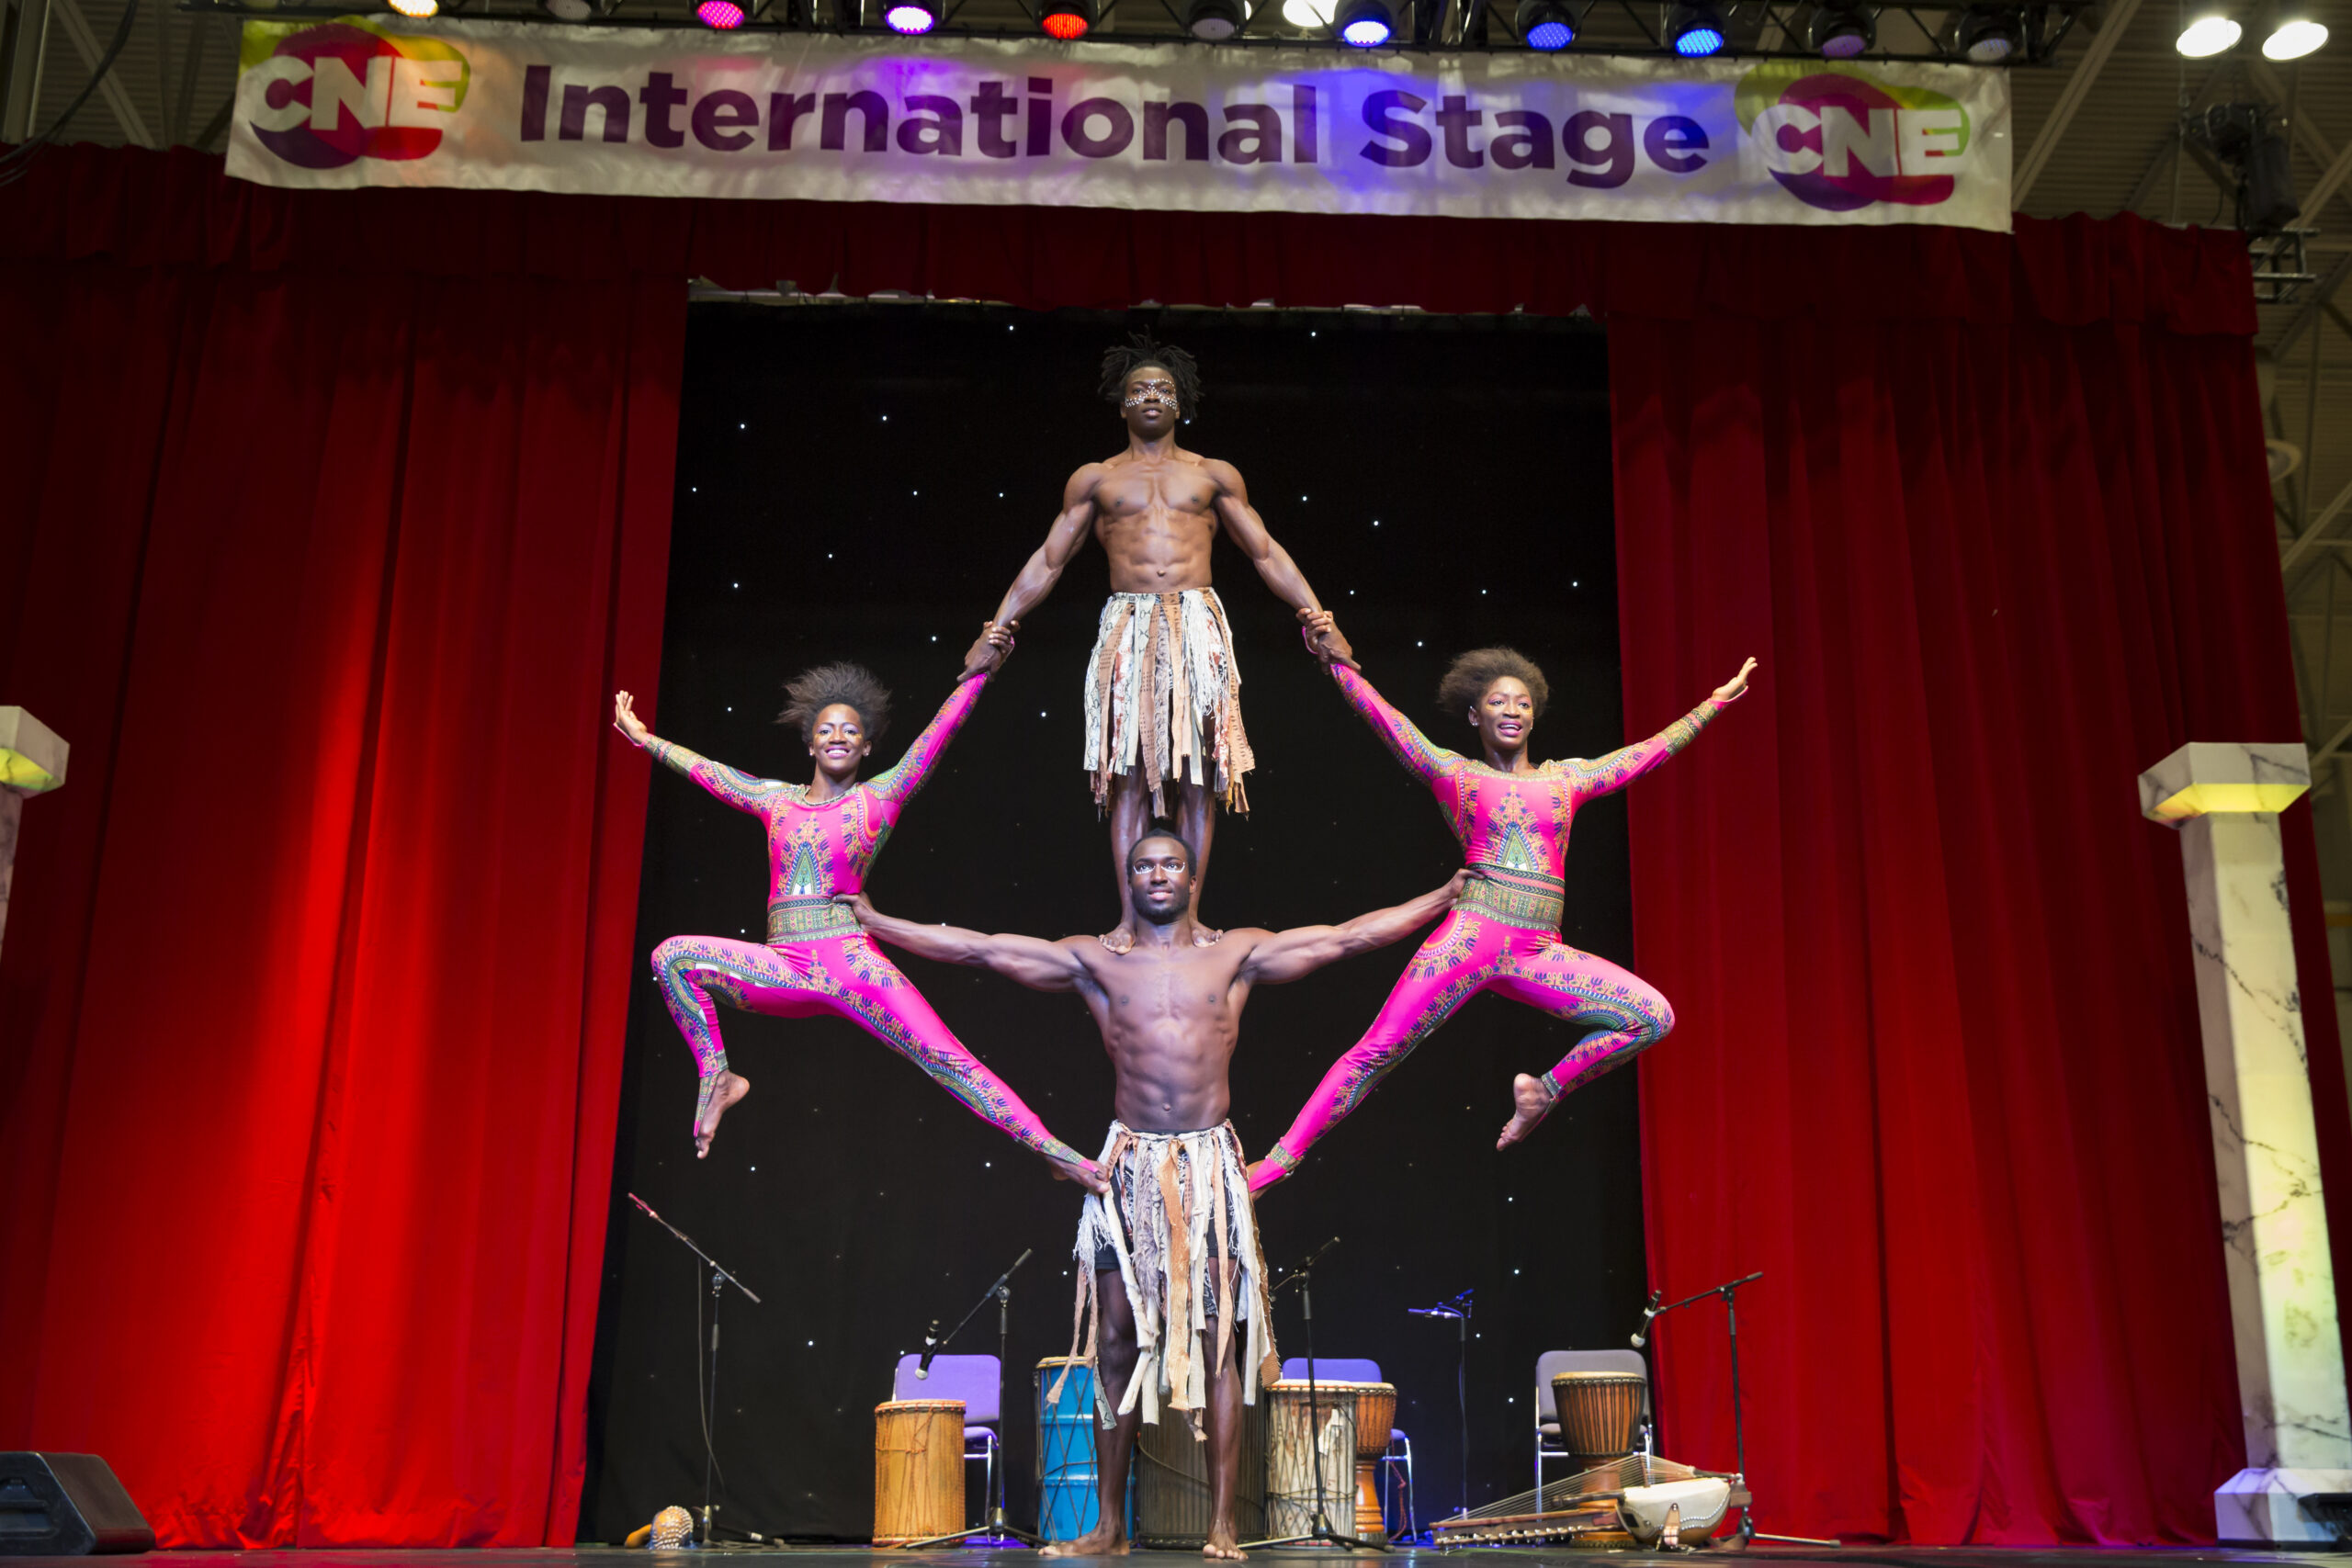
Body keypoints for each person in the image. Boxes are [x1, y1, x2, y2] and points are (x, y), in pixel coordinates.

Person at [843, 832, 1464, 1561]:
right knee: (1112, 1343)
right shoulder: (1095, 959)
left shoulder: (1237, 952)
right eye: (1144, 865)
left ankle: (1222, 1524)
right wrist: (878, 923)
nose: (1158, 874)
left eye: (1171, 863)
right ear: (1127, 876)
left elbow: (1346, 938)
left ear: (1193, 876)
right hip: (1126, 1166)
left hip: (1206, 1170)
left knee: (1216, 1342)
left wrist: (1443, 899)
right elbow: (982, 949)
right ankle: (1109, 1524)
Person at [1247, 614, 1756, 1195]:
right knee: (1375, 1054)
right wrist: (1334, 662)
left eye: (1522, 703)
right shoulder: (1453, 773)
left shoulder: (1570, 779)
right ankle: (1277, 1164)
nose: (1512, 710)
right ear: (1475, 715)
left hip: (1539, 951)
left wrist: (1713, 704)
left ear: (1534, 715)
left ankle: (1545, 1090)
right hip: (1467, 940)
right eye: (1497, 702)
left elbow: (1646, 754)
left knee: (1653, 1017)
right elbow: (1386, 722)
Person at [611, 638, 1102, 1191]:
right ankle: (718, 1076)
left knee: (950, 1061)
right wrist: (645, 740)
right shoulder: (774, 800)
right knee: (671, 957)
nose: (838, 736)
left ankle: (1058, 1153)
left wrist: (982, 674)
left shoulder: (882, 797)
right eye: (826, 730)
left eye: (850, 731)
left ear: (867, 747)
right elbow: (709, 771)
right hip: (784, 968)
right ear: (809, 744)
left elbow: (935, 737)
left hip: (852, 966)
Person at [959, 335, 1351, 952]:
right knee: (1128, 774)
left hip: (1197, 621)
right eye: (1138, 390)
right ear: (1121, 404)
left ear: (1180, 403)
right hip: (1128, 625)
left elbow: (1265, 551)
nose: (1150, 397)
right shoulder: (1097, 479)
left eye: (1162, 390)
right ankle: (1128, 917)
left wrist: (1319, 618)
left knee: (1199, 774)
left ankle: (1189, 917)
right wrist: (996, 630)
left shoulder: (1211, 475)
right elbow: (1048, 562)